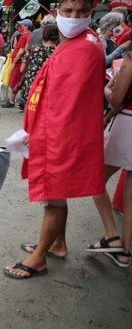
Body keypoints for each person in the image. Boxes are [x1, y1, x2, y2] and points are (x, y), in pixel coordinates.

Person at [5, 0, 105, 279]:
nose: (74, 17)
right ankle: (57, 244)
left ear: (90, 14)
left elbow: (66, 105)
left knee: (53, 198)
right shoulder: (78, 42)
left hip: (61, 135)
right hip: (58, 131)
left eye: (82, 12)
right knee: (56, 194)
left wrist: (37, 134)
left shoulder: (85, 47)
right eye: (68, 11)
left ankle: (38, 260)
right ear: (56, 12)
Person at [86, 37, 132, 268]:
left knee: (95, 179)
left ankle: (113, 237)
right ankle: (124, 250)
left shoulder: (130, 59)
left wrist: (107, 89)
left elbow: (116, 99)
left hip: (127, 125)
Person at [20, 24, 58, 111]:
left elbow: (22, 69)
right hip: (50, 88)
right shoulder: (59, 52)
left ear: (43, 35)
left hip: (32, 87)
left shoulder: (33, 49)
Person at [2, 19, 33, 109]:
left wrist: (14, 61)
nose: (20, 27)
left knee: (15, 82)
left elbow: (21, 51)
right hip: (22, 62)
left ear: (26, 27)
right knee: (19, 81)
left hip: (19, 63)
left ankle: (12, 101)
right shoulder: (28, 35)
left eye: (21, 25)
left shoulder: (25, 36)